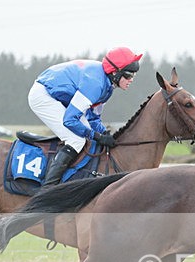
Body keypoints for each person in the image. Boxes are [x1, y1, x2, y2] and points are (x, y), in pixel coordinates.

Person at [27, 47, 143, 186]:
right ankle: (48, 187)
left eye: (133, 76)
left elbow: (93, 119)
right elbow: (69, 120)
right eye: (128, 75)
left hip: (62, 97)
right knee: (76, 140)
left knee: (88, 136)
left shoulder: (107, 86)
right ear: (115, 73)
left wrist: (106, 134)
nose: (131, 80)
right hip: (43, 95)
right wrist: (97, 136)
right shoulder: (95, 85)